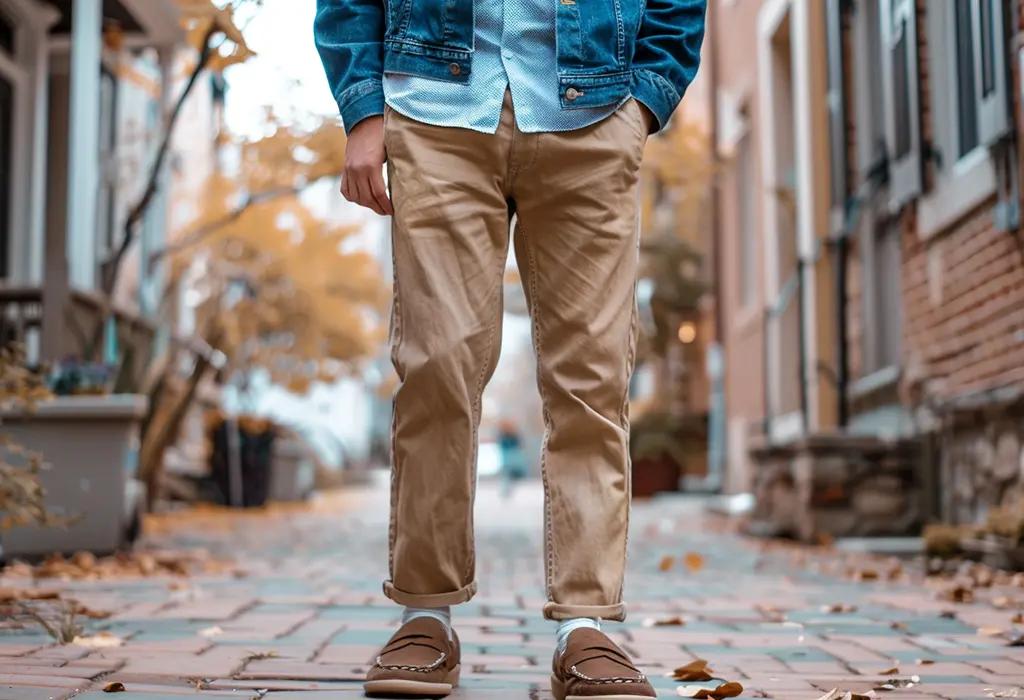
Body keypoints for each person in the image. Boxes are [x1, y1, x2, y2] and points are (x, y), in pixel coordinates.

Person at [314, 0, 706, 694]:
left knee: (590, 376)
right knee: (437, 361)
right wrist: (363, 110)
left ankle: (588, 626)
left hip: (591, 110)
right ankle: (425, 614)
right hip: (435, 109)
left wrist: (644, 103)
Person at [497, 421, 527, 500]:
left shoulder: (510, 436)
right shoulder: (506, 436)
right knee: (509, 475)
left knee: (509, 475)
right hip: (509, 458)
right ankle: (507, 489)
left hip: (510, 458)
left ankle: (507, 489)